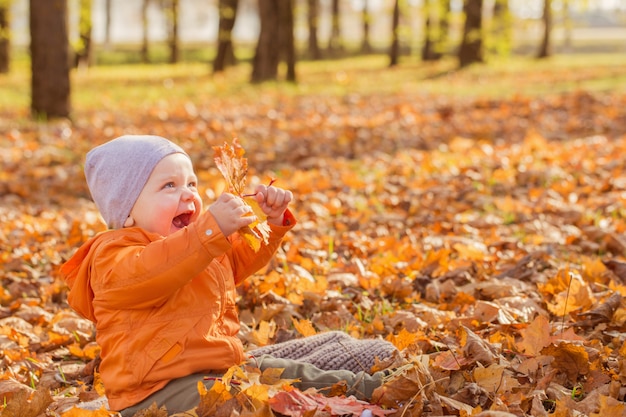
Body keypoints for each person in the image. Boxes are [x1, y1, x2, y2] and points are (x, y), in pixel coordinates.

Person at [61, 135, 399, 416]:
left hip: (215, 375)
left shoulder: (195, 246)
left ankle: (382, 389)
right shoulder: (115, 257)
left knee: (294, 376)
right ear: (127, 211)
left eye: (191, 182)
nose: (188, 193)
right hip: (154, 396)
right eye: (168, 185)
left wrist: (272, 222)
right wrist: (208, 231)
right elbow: (155, 270)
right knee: (259, 400)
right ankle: (342, 409)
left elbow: (237, 259)